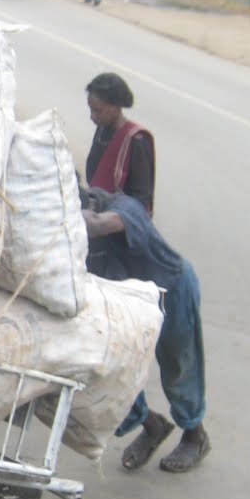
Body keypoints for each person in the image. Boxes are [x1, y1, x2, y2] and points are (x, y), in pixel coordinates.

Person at [81, 188, 211, 473]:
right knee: (118, 376)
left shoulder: (124, 208)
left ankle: (195, 434)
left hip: (170, 292)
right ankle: (152, 426)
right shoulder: (75, 244)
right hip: (125, 307)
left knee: (179, 366)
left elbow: (102, 223)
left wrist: (76, 219)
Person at [84, 72, 155, 215]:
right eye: (91, 110)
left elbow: (141, 200)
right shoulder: (102, 130)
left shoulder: (137, 141)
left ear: (116, 108)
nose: (92, 116)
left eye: (98, 111)